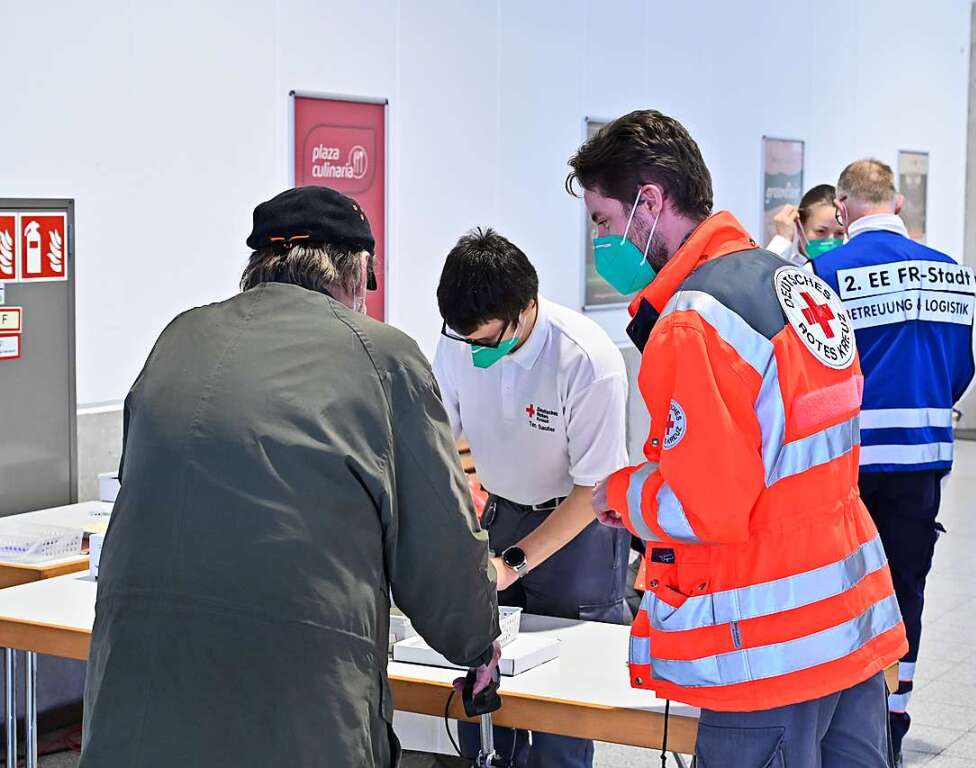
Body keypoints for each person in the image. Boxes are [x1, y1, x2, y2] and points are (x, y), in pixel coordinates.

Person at [79, 186, 501, 768]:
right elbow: (439, 546)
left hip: (135, 697)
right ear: (356, 274)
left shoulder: (178, 337)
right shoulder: (383, 357)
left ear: (258, 266)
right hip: (298, 709)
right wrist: (477, 640)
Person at [568, 110, 908, 767]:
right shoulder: (796, 285)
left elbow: (707, 507)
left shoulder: (696, 323)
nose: (602, 240)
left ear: (651, 201)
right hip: (844, 624)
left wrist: (623, 492)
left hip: (766, 649)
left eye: (605, 221)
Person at [434, 227, 630, 768]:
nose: (475, 352)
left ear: (525, 310)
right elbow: (436, 440)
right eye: (464, 340)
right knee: (486, 696)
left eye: (487, 340)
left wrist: (514, 563)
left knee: (562, 713)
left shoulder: (586, 360)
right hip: (500, 514)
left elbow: (595, 489)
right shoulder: (458, 342)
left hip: (579, 530)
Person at [812, 159, 976, 766]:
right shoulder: (954, 275)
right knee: (904, 587)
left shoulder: (821, 273)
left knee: (836, 588)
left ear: (841, 206)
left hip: (843, 466)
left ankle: (837, 717)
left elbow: (805, 371)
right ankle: (893, 716)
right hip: (922, 461)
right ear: (900, 203)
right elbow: (967, 367)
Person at [767, 184, 846, 266]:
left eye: (840, 233)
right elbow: (761, 275)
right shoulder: (784, 263)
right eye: (821, 231)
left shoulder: (849, 267)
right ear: (799, 226)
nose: (831, 240)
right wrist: (783, 238)